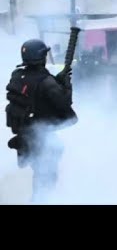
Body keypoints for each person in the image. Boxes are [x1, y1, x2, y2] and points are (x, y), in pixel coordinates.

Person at [6, 39, 77, 202]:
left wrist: (56, 80)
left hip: (25, 136)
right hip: (41, 139)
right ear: (41, 57)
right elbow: (64, 107)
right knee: (46, 180)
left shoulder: (17, 75)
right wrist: (66, 86)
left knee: (40, 176)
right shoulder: (46, 82)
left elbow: (35, 91)